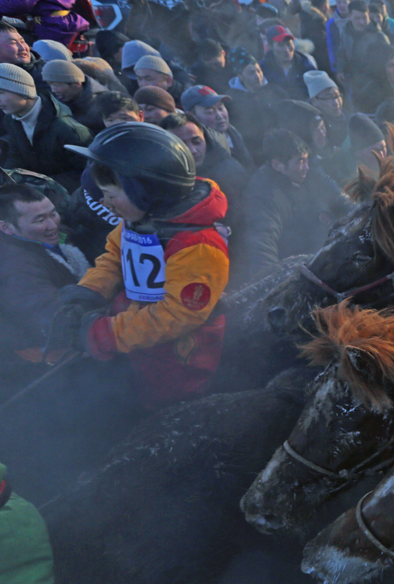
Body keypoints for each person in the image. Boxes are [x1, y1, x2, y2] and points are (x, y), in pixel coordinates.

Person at [50, 123, 229, 407]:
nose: (105, 203)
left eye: (111, 195)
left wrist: (106, 334)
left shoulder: (198, 246)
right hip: (135, 340)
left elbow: (177, 314)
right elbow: (114, 256)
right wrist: (90, 291)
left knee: (159, 410)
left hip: (178, 362)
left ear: (147, 191)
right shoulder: (139, 218)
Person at [231, 128, 349, 287]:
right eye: (300, 161)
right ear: (277, 165)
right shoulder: (263, 194)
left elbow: (338, 198)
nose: (306, 167)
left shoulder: (307, 174)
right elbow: (262, 243)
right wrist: (270, 285)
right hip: (293, 267)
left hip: (319, 255)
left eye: (307, 160)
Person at [0, 184, 89, 376]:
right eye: (40, 220)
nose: (52, 225)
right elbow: (53, 317)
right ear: (5, 227)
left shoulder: (53, 236)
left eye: (53, 213)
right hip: (56, 362)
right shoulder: (16, 267)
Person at [0, 64, 91, 192]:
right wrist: (8, 180)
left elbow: (86, 173)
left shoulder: (68, 129)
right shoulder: (11, 119)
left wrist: (43, 186)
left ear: (23, 91)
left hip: (65, 198)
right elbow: (16, 154)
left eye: (1, 93)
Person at [160, 112, 249, 214]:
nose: (192, 150)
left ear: (205, 139)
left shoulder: (230, 171)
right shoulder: (162, 176)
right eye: (181, 145)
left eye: (197, 142)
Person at [181, 85, 252, 168]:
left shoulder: (233, 132)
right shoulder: (197, 149)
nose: (219, 115)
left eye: (221, 108)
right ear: (191, 116)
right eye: (209, 112)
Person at [42, 59, 106, 133]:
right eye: (50, 84)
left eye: (56, 85)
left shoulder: (104, 104)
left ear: (77, 83)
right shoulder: (55, 102)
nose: (53, 90)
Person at [334, 0, 389, 85]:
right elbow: (342, 53)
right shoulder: (346, 33)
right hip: (352, 81)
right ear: (350, 16)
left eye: (364, 18)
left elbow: (389, 61)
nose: (362, 22)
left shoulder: (379, 36)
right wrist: (340, 70)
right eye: (357, 18)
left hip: (374, 83)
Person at [260, 25, 317, 101]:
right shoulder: (262, 69)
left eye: (288, 44)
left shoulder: (306, 65)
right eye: (281, 45)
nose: (286, 50)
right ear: (270, 46)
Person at [304, 70, 349, 148]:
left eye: (337, 96)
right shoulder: (313, 127)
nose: (335, 102)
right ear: (314, 101)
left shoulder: (349, 118)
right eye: (327, 98)